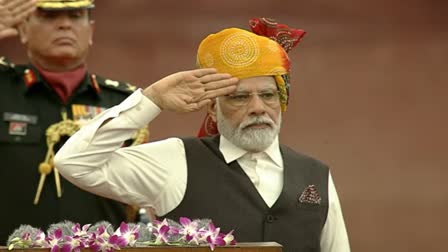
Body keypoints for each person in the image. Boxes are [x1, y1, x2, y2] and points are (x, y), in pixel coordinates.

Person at [54, 18, 350, 252]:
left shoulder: (315, 174)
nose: (258, 108)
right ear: (212, 107)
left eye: (268, 95)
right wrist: (151, 100)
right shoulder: (176, 161)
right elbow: (74, 162)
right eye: (239, 97)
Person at [0, 0, 148, 244]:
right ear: (23, 31)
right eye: (49, 16)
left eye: (76, 15)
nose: (65, 25)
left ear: (90, 32)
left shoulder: (122, 104)